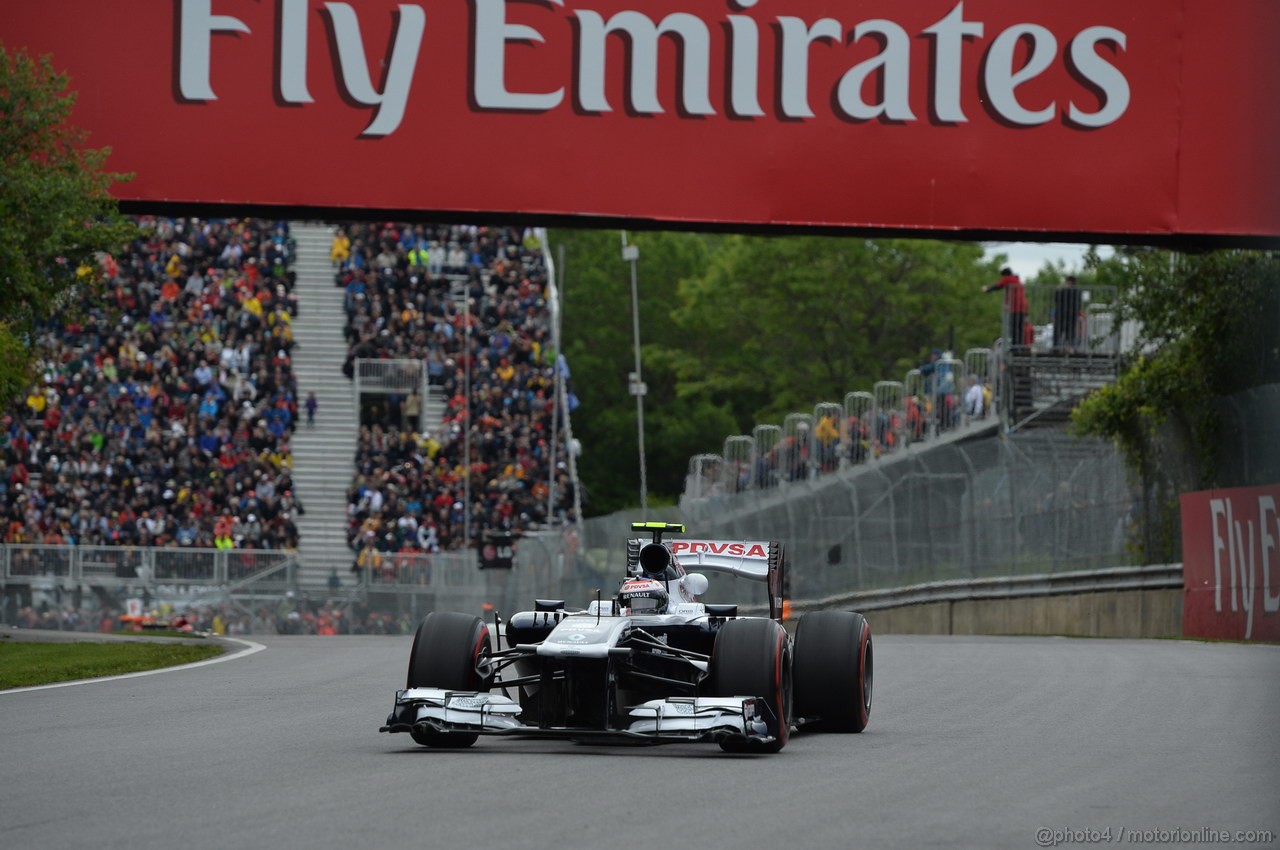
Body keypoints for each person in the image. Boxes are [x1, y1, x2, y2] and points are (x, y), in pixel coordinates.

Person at [983, 267, 1028, 348]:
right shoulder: (1017, 280)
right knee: (1020, 329)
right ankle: (1020, 346)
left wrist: (987, 289)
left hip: (1015, 308)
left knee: (1014, 328)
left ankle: (1015, 347)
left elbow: (998, 285)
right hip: (1022, 307)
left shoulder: (1008, 279)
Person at [1052, 275, 1084, 351]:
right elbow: (1078, 304)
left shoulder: (1063, 290)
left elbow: (1056, 300)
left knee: (1060, 332)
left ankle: (1057, 348)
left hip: (1062, 315)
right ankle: (1070, 348)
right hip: (1070, 315)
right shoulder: (1077, 291)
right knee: (1070, 333)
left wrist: (1057, 290)